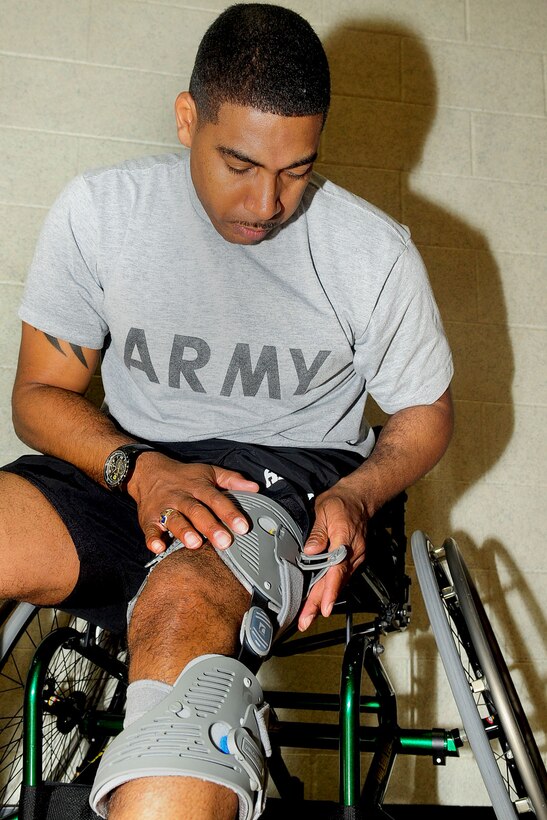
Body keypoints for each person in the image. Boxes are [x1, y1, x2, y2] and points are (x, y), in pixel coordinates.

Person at [0, 4, 454, 819]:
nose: (268, 201)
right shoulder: (102, 212)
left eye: (295, 169)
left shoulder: (370, 251)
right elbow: (38, 395)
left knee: (183, 598)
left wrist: (357, 492)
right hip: (130, 466)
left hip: (282, 485)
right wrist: (138, 469)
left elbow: (424, 411)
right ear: (187, 119)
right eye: (239, 163)